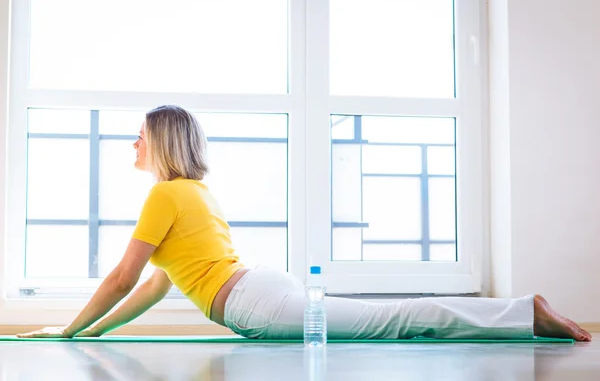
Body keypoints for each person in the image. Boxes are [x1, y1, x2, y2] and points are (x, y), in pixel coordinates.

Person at [17, 105, 591, 342]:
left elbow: (122, 277)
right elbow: (156, 284)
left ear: (160, 143)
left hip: (257, 303)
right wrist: (91, 332)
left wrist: (68, 330)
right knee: (386, 320)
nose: (132, 144)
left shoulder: (166, 195)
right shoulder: (192, 192)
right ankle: (520, 313)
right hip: (260, 290)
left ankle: (524, 312)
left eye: (139, 136)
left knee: (391, 321)